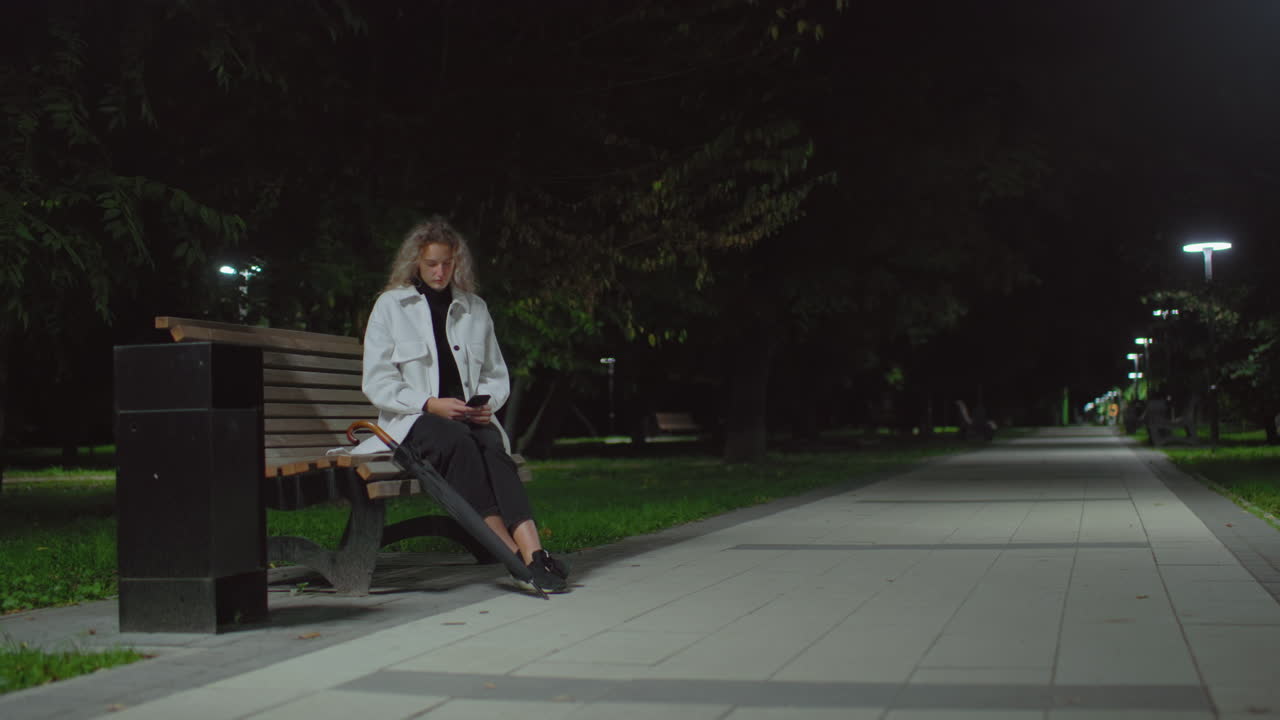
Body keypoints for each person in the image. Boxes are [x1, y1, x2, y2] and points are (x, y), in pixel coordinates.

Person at [349, 216, 569, 594]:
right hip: (413, 421)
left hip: (468, 418)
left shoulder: (474, 308)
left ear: (457, 262)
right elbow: (378, 381)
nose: (439, 272)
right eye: (431, 263)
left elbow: (495, 373)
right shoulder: (390, 306)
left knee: (492, 447)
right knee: (459, 443)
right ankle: (512, 555)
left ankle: (535, 554)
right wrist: (429, 403)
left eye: (447, 263)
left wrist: (487, 404)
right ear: (415, 261)